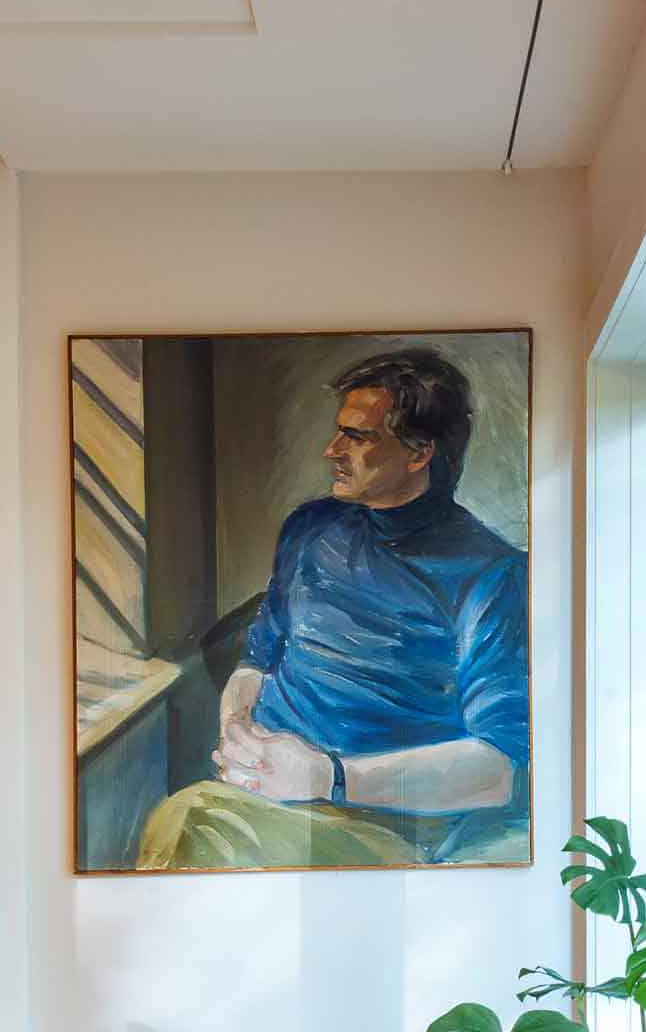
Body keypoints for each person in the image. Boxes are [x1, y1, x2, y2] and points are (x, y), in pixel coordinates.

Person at [138, 346, 530, 869]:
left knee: (187, 826)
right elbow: (258, 660)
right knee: (187, 825)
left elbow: (499, 767)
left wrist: (328, 776)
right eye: (339, 430)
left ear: (419, 454)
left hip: (377, 817)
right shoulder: (311, 527)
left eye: (358, 435)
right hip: (260, 791)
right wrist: (235, 723)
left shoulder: (491, 573)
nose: (331, 450)